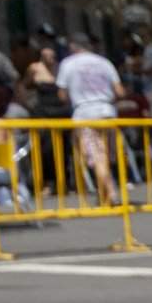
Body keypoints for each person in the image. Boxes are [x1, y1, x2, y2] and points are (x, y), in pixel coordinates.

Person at [55, 32, 124, 207]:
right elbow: (119, 91)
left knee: (97, 157)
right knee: (106, 156)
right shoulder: (104, 62)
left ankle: (112, 193)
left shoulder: (67, 64)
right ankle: (105, 195)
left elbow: (62, 94)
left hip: (84, 114)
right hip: (107, 112)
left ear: (72, 47)